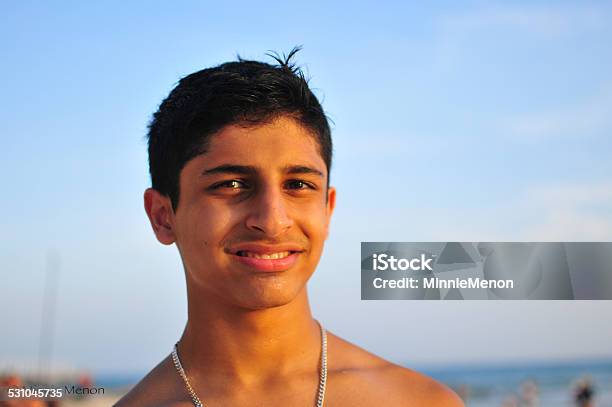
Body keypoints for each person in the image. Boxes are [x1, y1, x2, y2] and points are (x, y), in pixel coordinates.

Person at [116, 48, 463, 407]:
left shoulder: (418, 401)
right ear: (162, 216)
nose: (272, 220)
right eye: (232, 184)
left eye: (298, 184)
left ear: (327, 210)